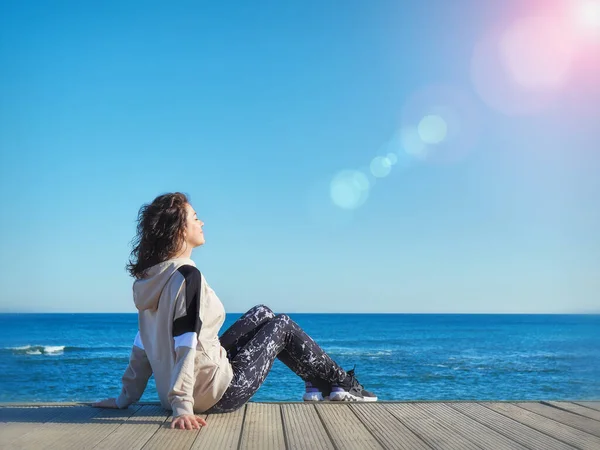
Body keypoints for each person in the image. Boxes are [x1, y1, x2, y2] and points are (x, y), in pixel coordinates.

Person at [92, 192, 377, 430]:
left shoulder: (152, 279)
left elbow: (142, 345)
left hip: (191, 387)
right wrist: (182, 407)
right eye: (195, 218)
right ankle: (343, 383)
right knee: (282, 325)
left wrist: (124, 399)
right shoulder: (187, 277)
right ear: (180, 230)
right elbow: (186, 343)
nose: (201, 222)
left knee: (263, 313)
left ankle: (317, 382)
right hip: (214, 394)